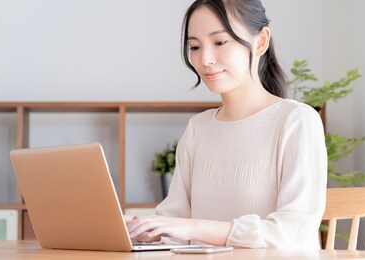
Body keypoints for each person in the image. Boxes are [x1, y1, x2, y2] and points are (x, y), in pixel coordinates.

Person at [126, 0, 327, 249]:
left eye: (220, 42)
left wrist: (193, 226)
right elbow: (174, 223)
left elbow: (291, 232)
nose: (205, 59)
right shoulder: (198, 128)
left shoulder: (297, 120)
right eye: (195, 47)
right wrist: (147, 230)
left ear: (261, 41)